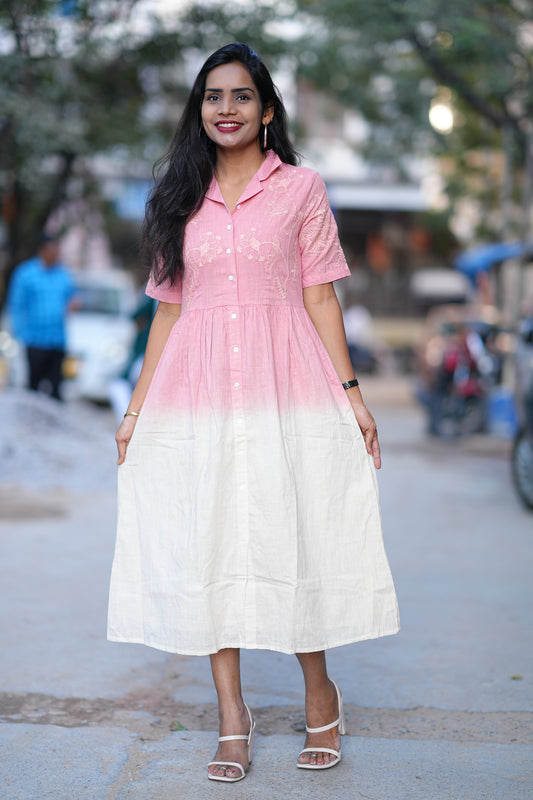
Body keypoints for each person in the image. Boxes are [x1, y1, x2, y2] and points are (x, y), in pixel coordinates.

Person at [107, 42, 399, 783]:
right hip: (197, 393)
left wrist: (352, 396)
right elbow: (167, 312)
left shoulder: (301, 189)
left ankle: (319, 694)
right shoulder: (178, 197)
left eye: (241, 96)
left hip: (285, 384)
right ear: (198, 110)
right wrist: (137, 411)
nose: (226, 108)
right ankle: (230, 716)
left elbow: (320, 296)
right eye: (213, 96)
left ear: (266, 110)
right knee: (209, 542)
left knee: (290, 533)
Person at [7, 234, 76, 401]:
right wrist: (20, 334)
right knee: (33, 388)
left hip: (57, 340)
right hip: (35, 340)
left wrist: (75, 303)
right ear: (43, 250)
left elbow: (73, 296)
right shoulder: (25, 274)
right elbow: (16, 306)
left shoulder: (63, 274)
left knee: (56, 389)